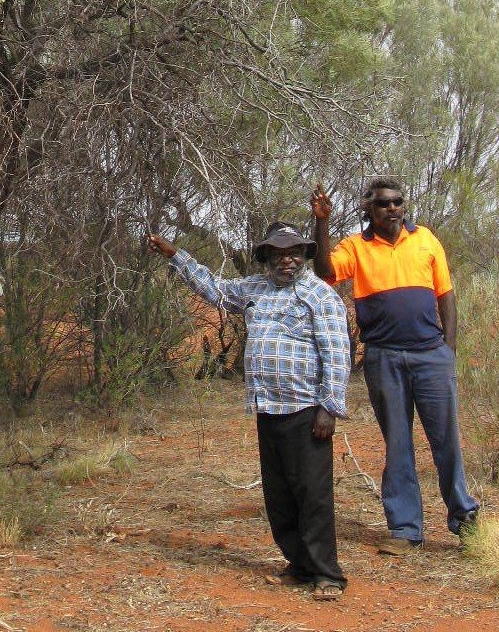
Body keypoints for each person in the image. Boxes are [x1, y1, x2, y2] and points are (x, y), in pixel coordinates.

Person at [149, 222, 350, 600]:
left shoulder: (319, 296)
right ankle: (299, 563)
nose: (286, 260)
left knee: (313, 494)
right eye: (278, 254)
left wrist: (329, 407)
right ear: (267, 258)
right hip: (267, 408)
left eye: (294, 253)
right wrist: (176, 256)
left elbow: (337, 354)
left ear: (305, 256)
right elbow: (215, 289)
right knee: (279, 495)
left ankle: (327, 574)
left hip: (305, 409)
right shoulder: (254, 289)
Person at [310, 177, 480, 554]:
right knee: (398, 443)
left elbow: (446, 297)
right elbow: (325, 270)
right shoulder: (355, 246)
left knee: (446, 441)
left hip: (430, 355)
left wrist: (447, 351)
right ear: (368, 209)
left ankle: (465, 520)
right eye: (384, 204)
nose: (392, 209)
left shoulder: (425, 239)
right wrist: (321, 221)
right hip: (384, 357)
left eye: (398, 202)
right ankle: (406, 529)